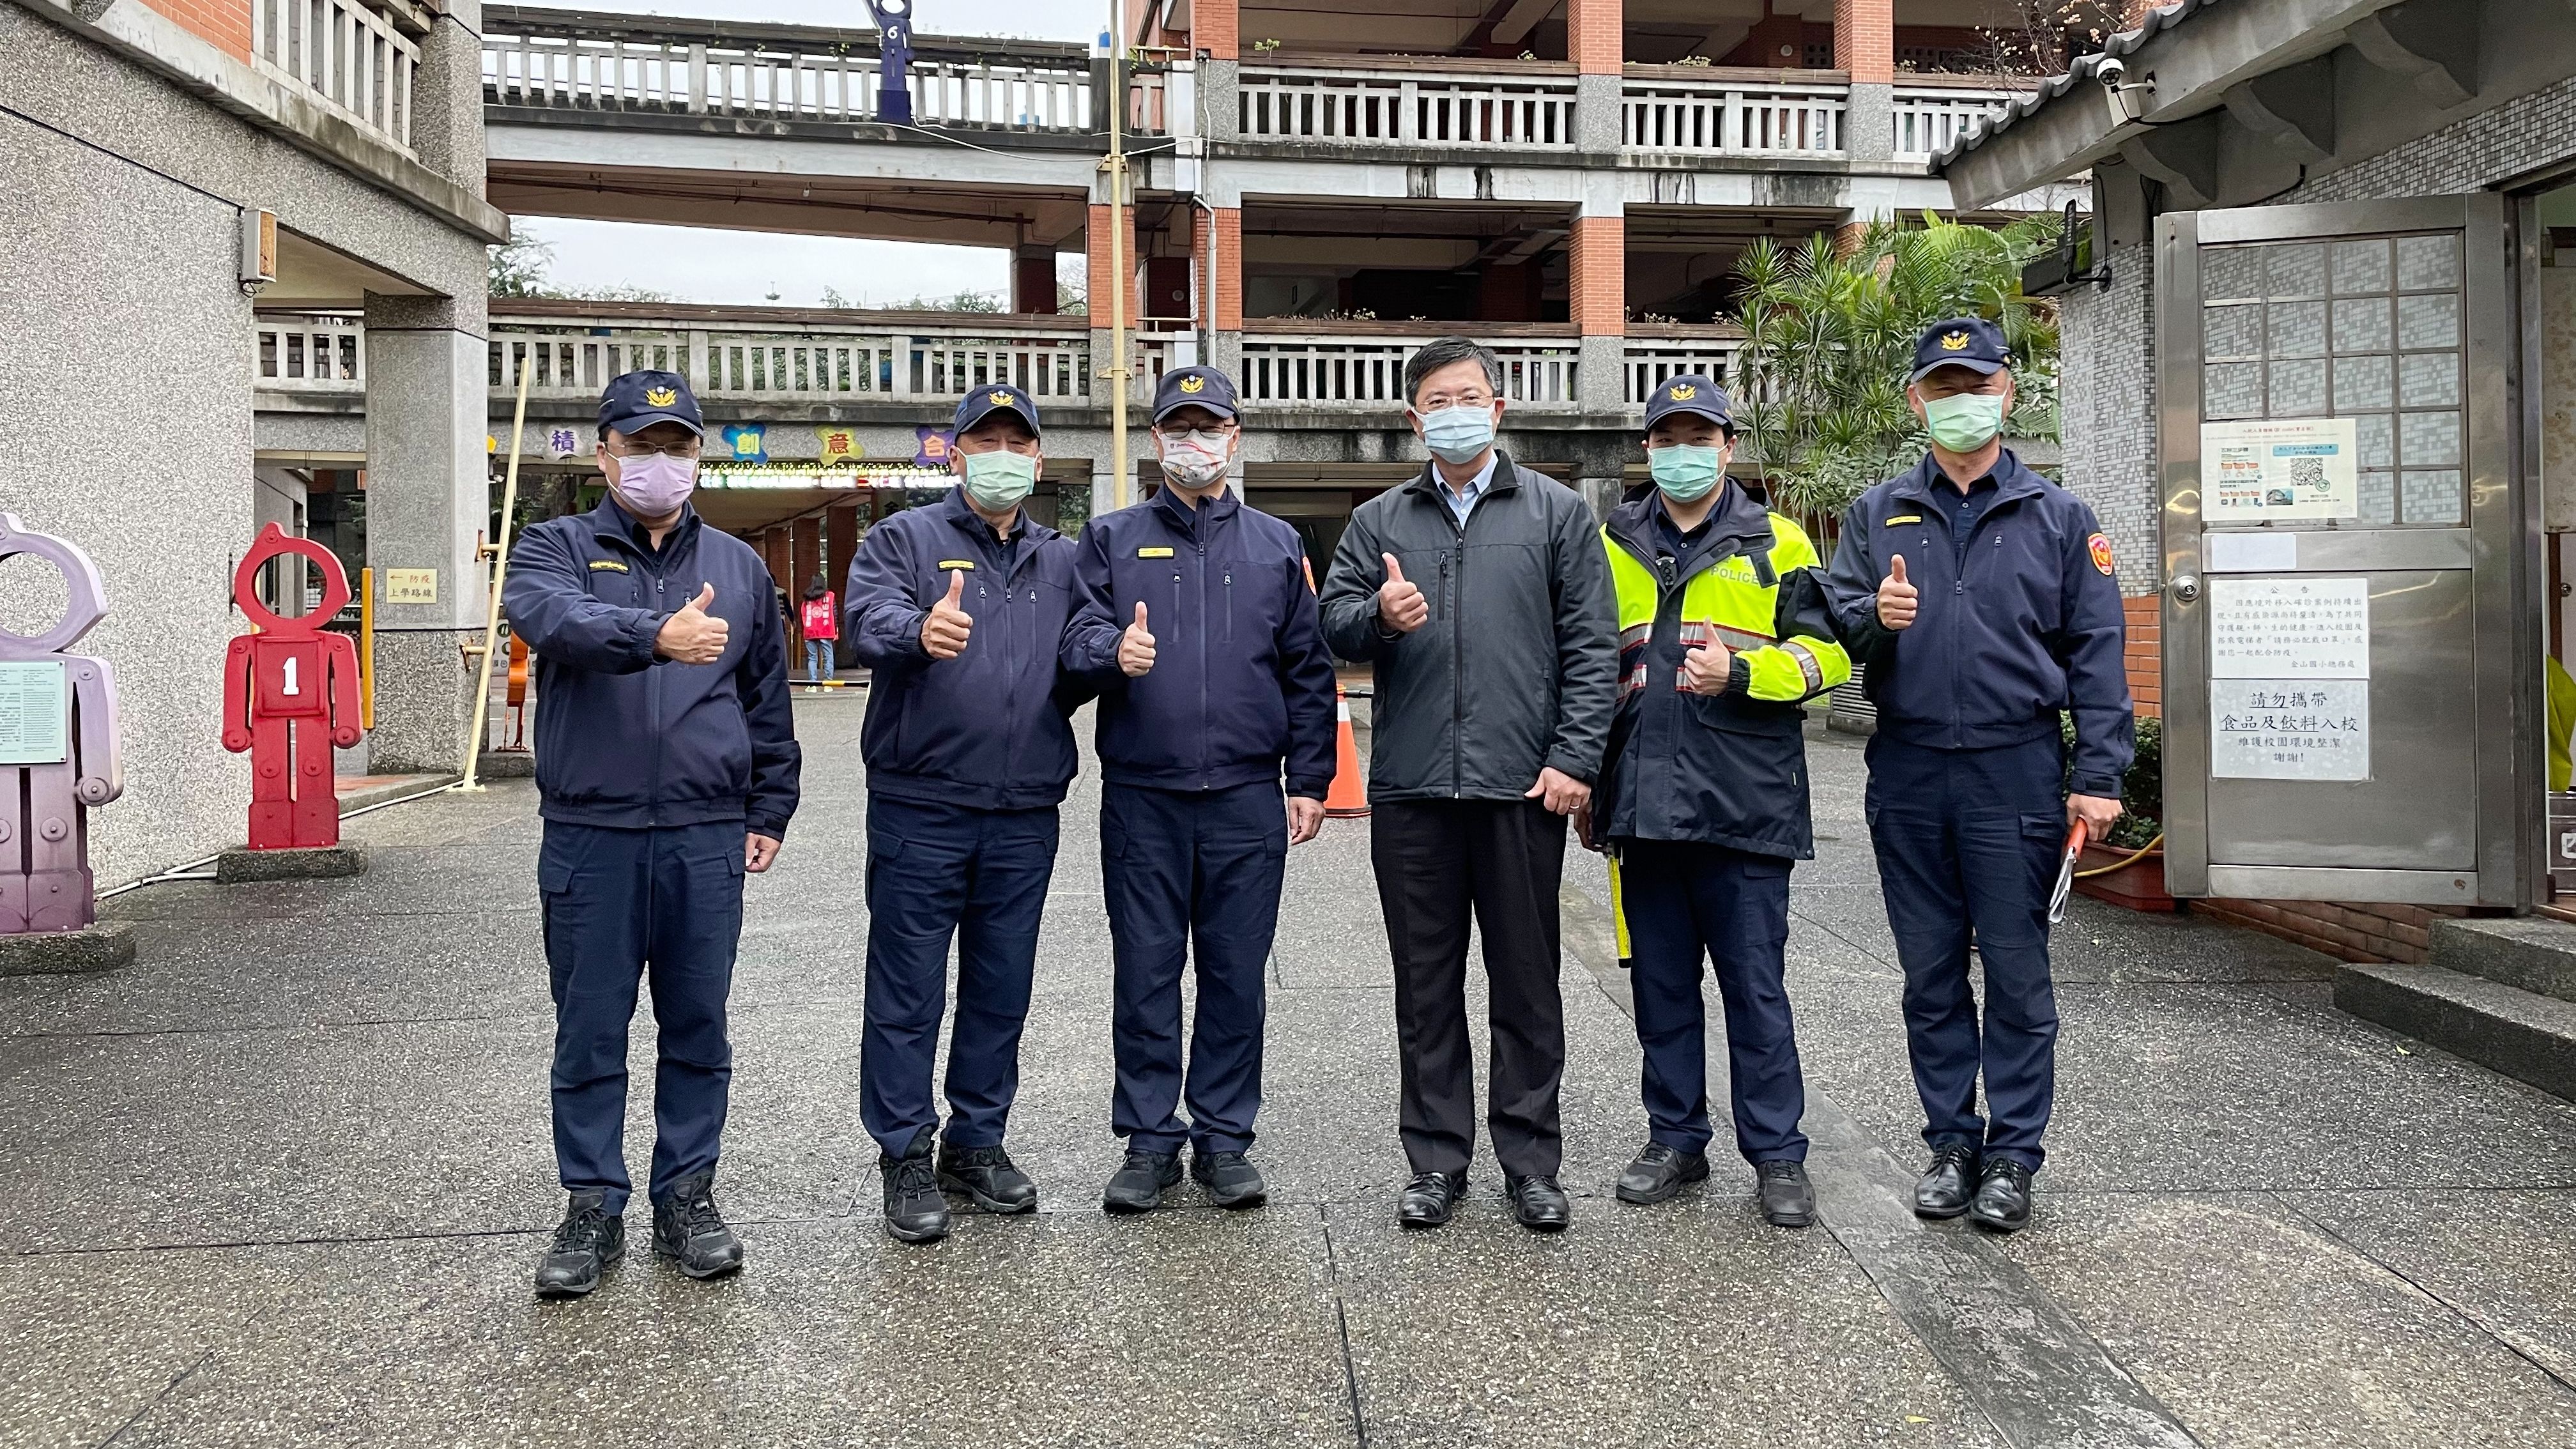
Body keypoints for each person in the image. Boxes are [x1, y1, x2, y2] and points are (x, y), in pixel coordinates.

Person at [1821, 317, 2131, 1234]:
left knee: (2017, 971)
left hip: (2017, 772)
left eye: (1978, 383)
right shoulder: (1879, 513)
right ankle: (1952, 1142)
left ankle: (2014, 1156)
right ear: (1917, 399)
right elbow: (1836, 623)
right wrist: (1875, 615)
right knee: (1929, 973)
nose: (1962, 401)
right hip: (1910, 769)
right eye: (1943, 386)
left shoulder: (2061, 518)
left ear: (2007, 393)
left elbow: (2099, 654)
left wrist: (2099, 773)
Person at [503, 369, 802, 1297]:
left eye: (678, 447)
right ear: (606, 454)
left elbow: (766, 699)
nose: (660, 463)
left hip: (706, 836)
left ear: (699, 455)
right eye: (641, 446)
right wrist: (654, 635)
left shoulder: (741, 567)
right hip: (593, 833)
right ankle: (593, 1206)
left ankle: (688, 1193)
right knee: (591, 1028)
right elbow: (553, 620)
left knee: (698, 1023)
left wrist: (769, 806)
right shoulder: (552, 546)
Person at [1318, 336, 1618, 1234]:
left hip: (1521, 788)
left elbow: (1592, 649)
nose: (1454, 410)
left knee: (1527, 982)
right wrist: (1379, 615)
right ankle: (1437, 1159)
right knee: (1426, 984)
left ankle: (1531, 1159)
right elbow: (1331, 624)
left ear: (1498, 406)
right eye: (1435, 400)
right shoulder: (1379, 521)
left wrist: (1574, 760)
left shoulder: (1559, 514)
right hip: (1411, 790)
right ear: (1415, 420)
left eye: (1469, 395)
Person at [1060, 365, 1338, 1215]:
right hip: (1144, 792)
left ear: (1234, 436)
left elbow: (1307, 669)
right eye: (1178, 427)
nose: (1193, 441)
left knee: (1234, 972)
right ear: (1156, 441)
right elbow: (1073, 639)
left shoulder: (1276, 543)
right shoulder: (1108, 539)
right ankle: (1149, 1140)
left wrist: (1311, 777)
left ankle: (1223, 1137)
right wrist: (1113, 652)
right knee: (1145, 971)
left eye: (1207, 426)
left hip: (1246, 796)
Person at [1579, 376, 1850, 1229]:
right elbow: (1585, 663)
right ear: (1648, 451)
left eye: (1700, 438)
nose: (1683, 454)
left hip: (1745, 808)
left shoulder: (1778, 542)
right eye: (1668, 439)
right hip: (1642, 808)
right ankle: (1676, 1140)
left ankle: (1777, 1157)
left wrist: (1744, 673)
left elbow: (1831, 656)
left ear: (1729, 447)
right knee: (1660, 988)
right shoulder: (1610, 541)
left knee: (1754, 990)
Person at [843, 383, 1087, 1245]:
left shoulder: (1063, 558)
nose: (1000, 456)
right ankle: (906, 1151)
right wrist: (916, 632)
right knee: (907, 988)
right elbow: (864, 621)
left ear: (1037, 459)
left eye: (1016, 443)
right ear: (952, 454)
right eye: (982, 441)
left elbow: (1083, 642)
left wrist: (1115, 654)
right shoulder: (903, 539)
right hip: (922, 804)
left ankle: (977, 1141)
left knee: (1000, 987)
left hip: (1024, 808)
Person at [798, 574, 838, 691]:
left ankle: (813, 685)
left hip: (810, 631)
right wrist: (836, 629)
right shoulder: (830, 596)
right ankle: (828, 684)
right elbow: (834, 612)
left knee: (812, 658)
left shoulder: (807, 599)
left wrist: (804, 629)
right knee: (828, 656)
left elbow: (803, 615)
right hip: (826, 630)